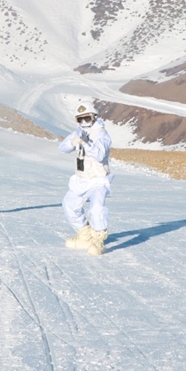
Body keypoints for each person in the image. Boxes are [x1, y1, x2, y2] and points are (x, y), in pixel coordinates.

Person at [59, 102, 113, 256]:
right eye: (80, 119)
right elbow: (62, 148)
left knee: (97, 209)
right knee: (69, 205)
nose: (84, 123)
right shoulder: (78, 132)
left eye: (87, 118)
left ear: (94, 117)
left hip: (98, 179)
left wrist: (86, 143)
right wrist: (73, 141)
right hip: (81, 178)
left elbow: (100, 154)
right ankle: (85, 235)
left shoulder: (101, 135)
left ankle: (98, 239)